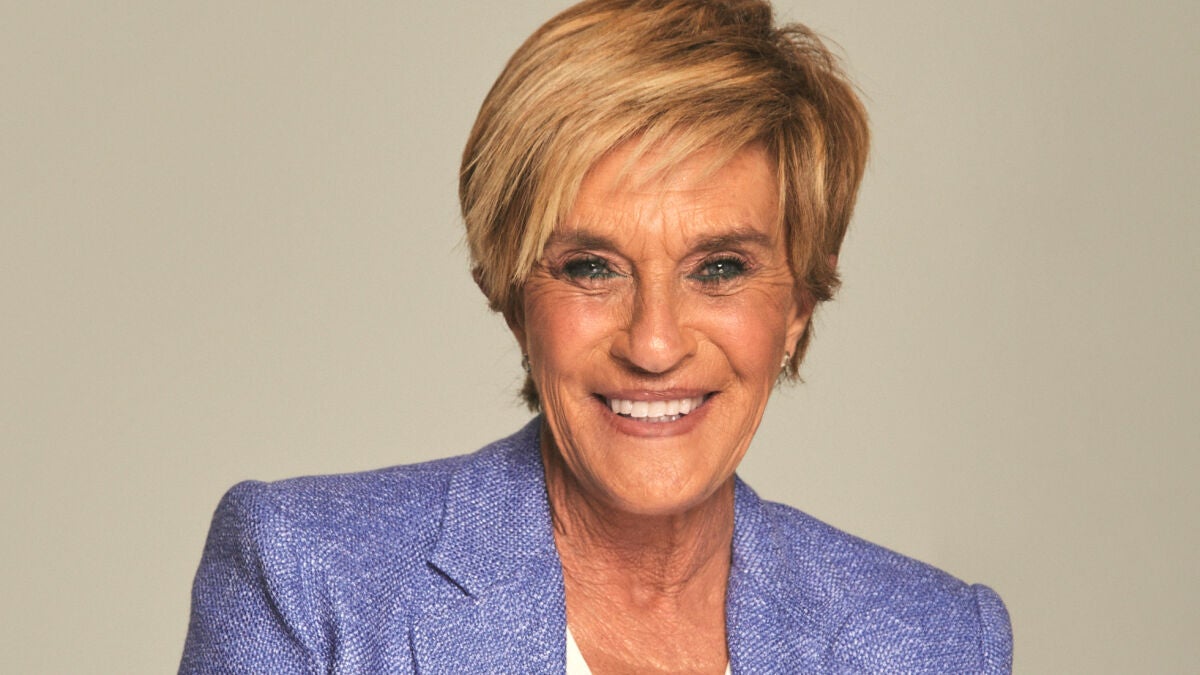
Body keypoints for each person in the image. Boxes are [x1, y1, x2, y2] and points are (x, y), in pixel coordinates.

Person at [180, 0, 1013, 672]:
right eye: (591, 267)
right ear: (512, 293)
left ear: (798, 303)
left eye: (719, 267)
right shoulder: (308, 579)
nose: (653, 344)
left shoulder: (938, 644)